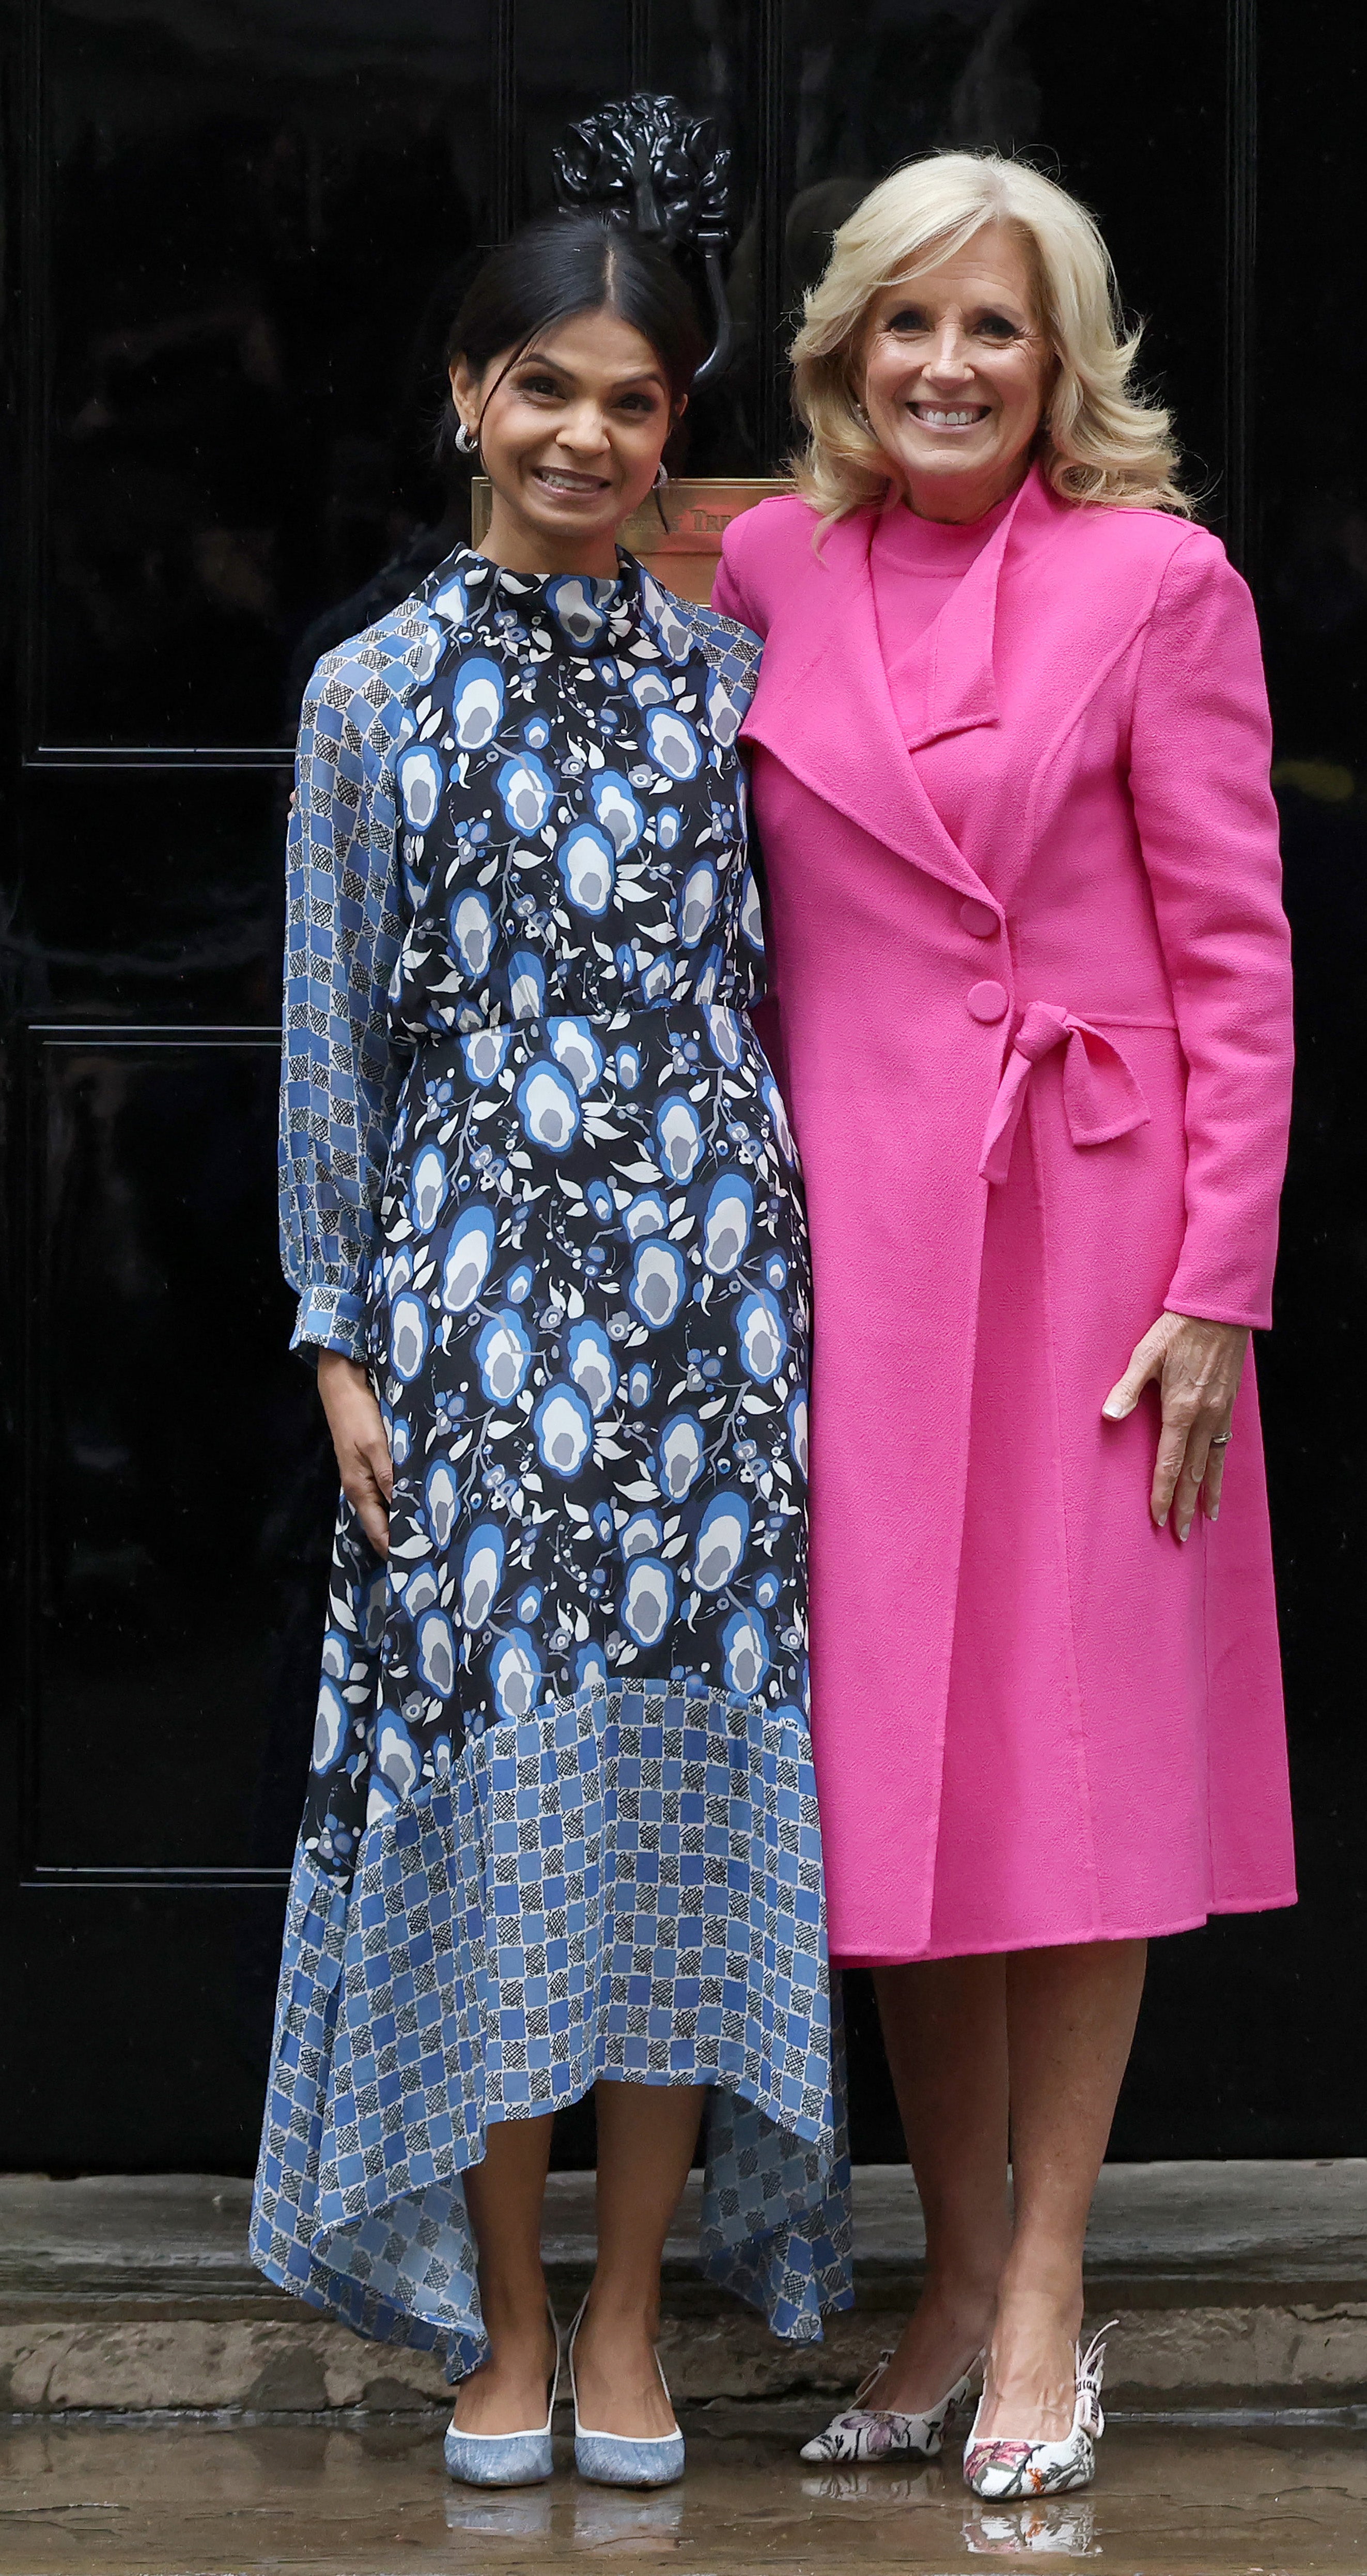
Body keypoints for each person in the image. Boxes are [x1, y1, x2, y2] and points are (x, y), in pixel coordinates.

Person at [249, 214, 849, 2494]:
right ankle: (501, 2316)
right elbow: (332, 1038)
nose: (587, 433)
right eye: (548, 387)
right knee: (506, 1820)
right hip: (470, 1315)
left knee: (687, 1807)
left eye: (632, 401)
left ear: (666, 434)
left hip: (712, 1313)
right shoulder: (369, 697)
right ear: (465, 396)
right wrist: (337, 1342)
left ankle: (625, 2318)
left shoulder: (731, 685)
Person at [713, 150, 1294, 2501]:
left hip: (1087, 1248)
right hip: (843, 1249)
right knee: (892, 1791)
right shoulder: (760, 564)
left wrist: (1214, 1290)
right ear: (843, 352)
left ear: (1062, 364)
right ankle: (942, 2276)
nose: (945, 366)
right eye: (904, 326)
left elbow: (1238, 961)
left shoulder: (1162, 581)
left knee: (1067, 1785)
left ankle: (1047, 2281)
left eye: (995, 329)